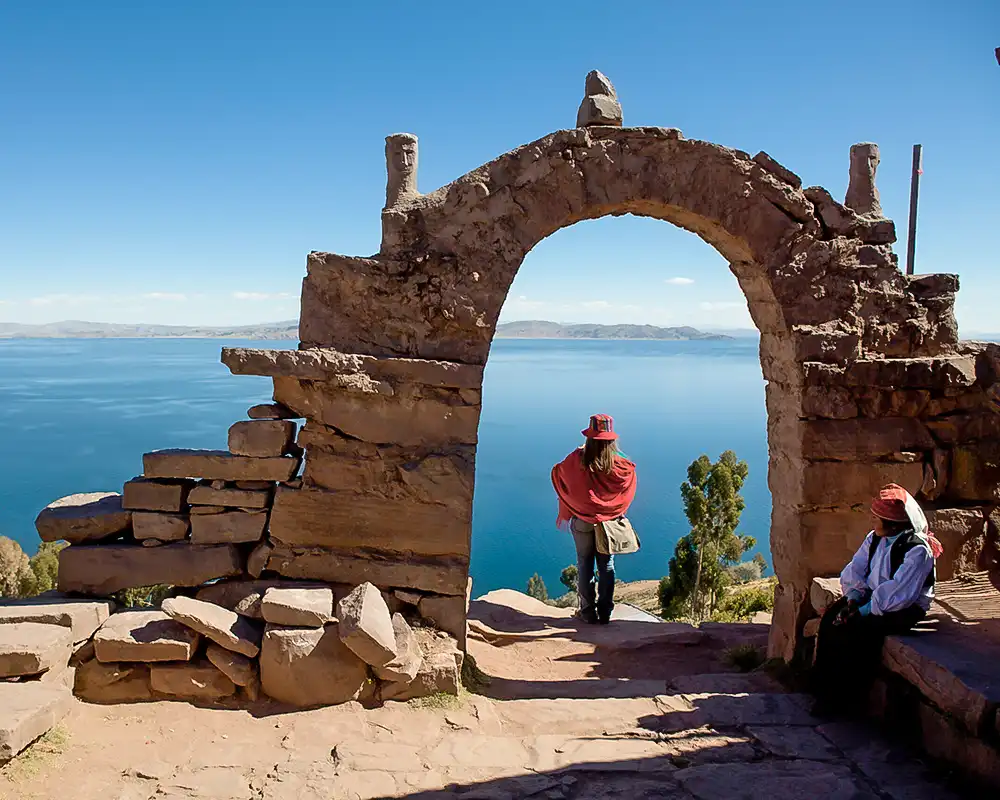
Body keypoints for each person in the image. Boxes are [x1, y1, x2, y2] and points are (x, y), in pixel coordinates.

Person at [811, 483, 943, 716]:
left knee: (858, 632)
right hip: (870, 597)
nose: (872, 520)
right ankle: (822, 688)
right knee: (831, 619)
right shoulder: (875, 538)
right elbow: (856, 570)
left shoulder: (917, 550)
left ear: (892, 523)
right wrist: (852, 599)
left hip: (902, 607)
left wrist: (862, 612)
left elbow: (899, 593)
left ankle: (844, 700)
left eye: (877, 517)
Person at [551, 414, 637, 624]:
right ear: (611, 440)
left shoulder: (576, 459)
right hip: (608, 524)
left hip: (582, 521)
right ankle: (605, 612)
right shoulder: (619, 463)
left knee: (584, 564)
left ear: (589, 437)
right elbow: (629, 478)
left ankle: (587, 612)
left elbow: (558, 472)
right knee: (606, 566)